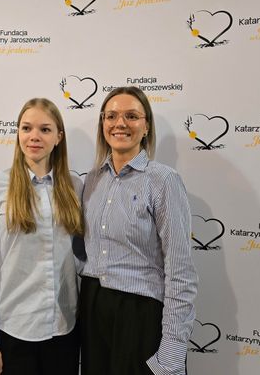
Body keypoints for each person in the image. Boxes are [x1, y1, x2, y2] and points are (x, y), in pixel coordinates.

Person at [80, 86, 198, 375]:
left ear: (146, 127)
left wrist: (172, 350)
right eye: (111, 116)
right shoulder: (92, 179)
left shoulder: (163, 181)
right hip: (93, 308)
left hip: (139, 314)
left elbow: (180, 270)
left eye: (131, 116)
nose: (119, 123)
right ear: (103, 124)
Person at [0, 98, 84, 375]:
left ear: (58, 137)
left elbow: (81, 256)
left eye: (45, 129)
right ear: (18, 133)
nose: (34, 136)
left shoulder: (75, 187)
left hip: (64, 330)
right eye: (26, 128)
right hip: (14, 330)